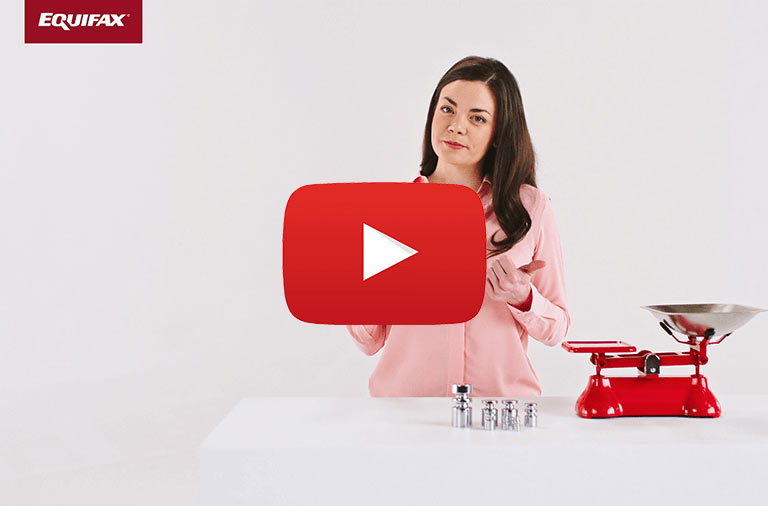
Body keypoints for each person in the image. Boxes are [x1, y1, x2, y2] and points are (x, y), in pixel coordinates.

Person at [346, 56, 570, 397]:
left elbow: (558, 329)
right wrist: (365, 283)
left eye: (476, 118)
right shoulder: (389, 212)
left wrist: (522, 297)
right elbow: (369, 341)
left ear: (498, 133)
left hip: (500, 412)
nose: (456, 126)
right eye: (447, 110)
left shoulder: (530, 208)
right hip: (406, 414)